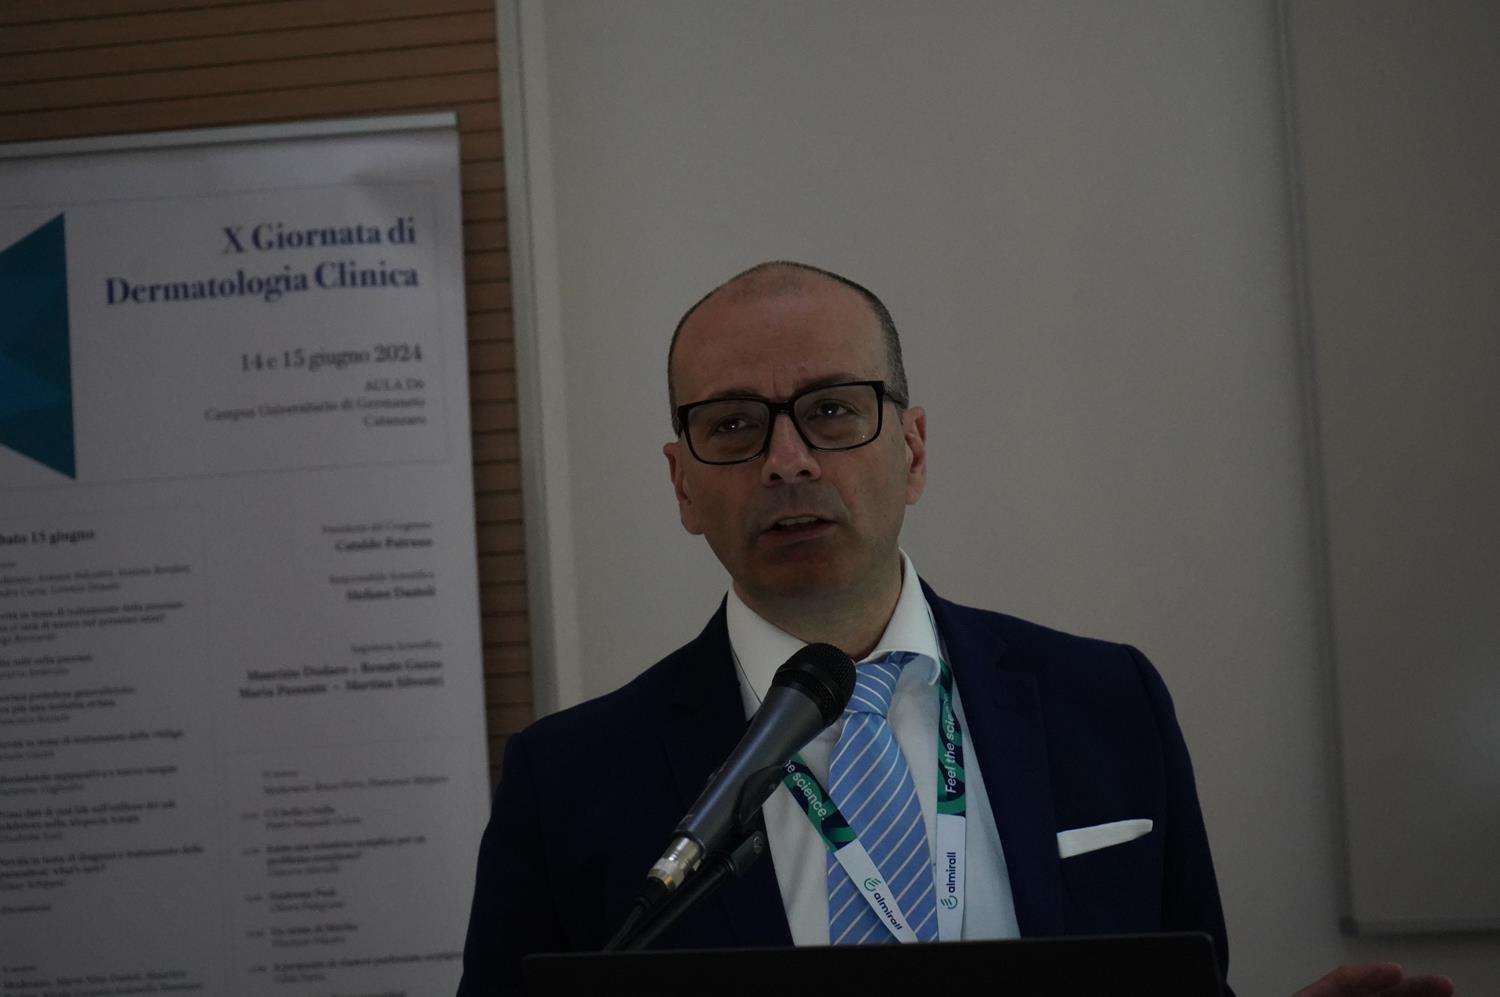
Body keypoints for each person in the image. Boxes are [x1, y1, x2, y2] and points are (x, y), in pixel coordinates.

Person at [457, 262, 1454, 997]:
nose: (789, 460)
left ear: (915, 448)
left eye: (832, 409)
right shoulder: (567, 782)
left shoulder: (1109, 704)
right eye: (733, 425)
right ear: (683, 485)